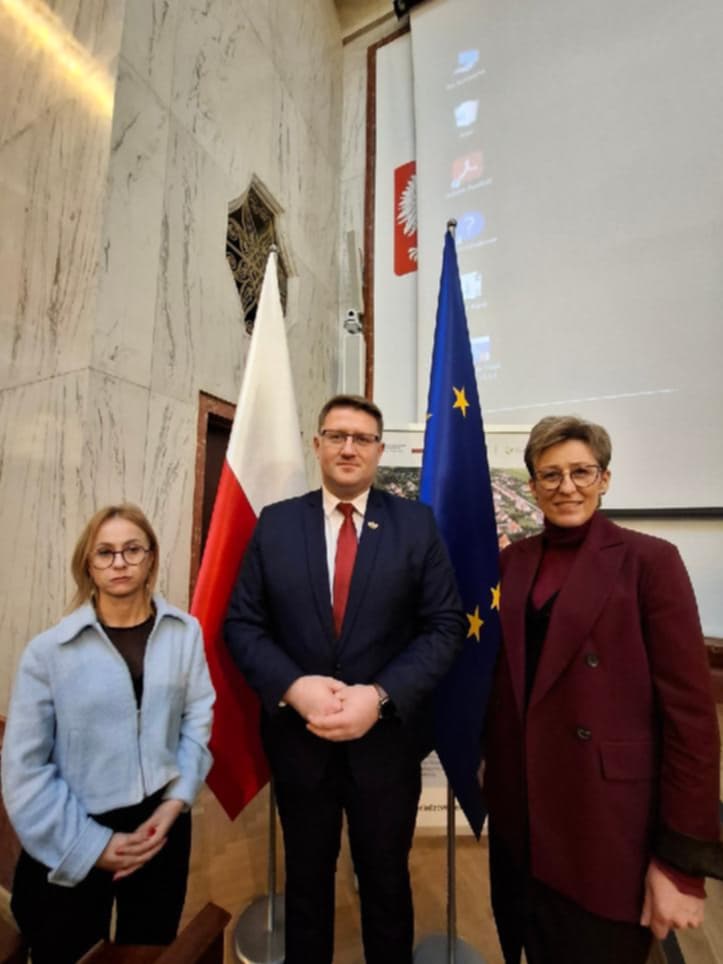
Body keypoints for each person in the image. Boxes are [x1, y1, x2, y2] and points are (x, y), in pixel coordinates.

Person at [225, 394, 465, 964]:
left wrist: (379, 697)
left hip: (385, 749)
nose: (349, 447)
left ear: (380, 450)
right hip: (298, 744)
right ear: (317, 445)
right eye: (336, 435)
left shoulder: (416, 525)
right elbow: (242, 622)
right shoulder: (277, 523)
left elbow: (444, 626)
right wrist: (293, 687)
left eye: (362, 438)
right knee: (306, 882)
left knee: (386, 880)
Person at [482, 415, 723, 964]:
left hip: (608, 823)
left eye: (581, 472)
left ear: (606, 479)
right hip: (523, 817)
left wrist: (681, 863)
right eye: (550, 475)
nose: (566, 487)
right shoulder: (509, 564)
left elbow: (690, 720)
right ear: (532, 485)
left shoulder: (650, 561)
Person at [1, 504, 214, 964]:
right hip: (74, 824)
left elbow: (197, 718)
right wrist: (93, 847)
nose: (119, 562)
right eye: (105, 553)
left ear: (151, 558)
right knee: (64, 948)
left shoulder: (185, 632)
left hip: (161, 824)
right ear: (89, 565)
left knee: (149, 946)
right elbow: (24, 771)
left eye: (132, 549)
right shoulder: (48, 653)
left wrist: (175, 803)